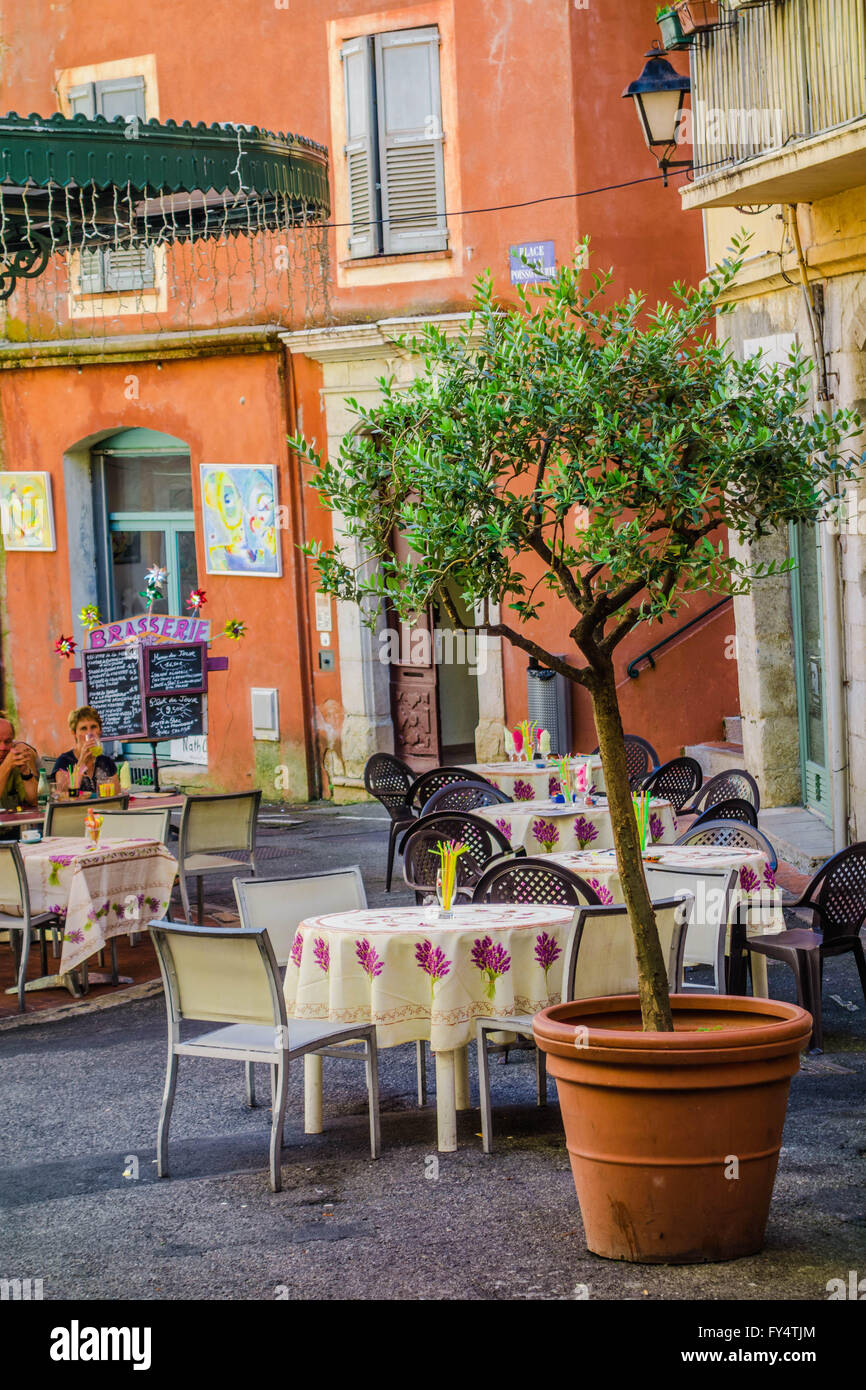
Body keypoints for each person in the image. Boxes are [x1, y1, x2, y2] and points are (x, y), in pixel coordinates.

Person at [52, 707, 120, 798]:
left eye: (93, 727)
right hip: (76, 811)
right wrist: (81, 763)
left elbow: (117, 796)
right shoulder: (64, 761)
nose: (89, 733)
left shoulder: (107, 762)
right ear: (74, 733)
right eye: (83, 728)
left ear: (100, 730)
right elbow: (65, 796)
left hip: (102, 810)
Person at [0, 711, 39, 811]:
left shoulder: (14, 758)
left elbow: (35, 801)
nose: (3, 747)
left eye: (7, 741)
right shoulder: (9, 762)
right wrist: (6, 766)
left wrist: (25, 771)